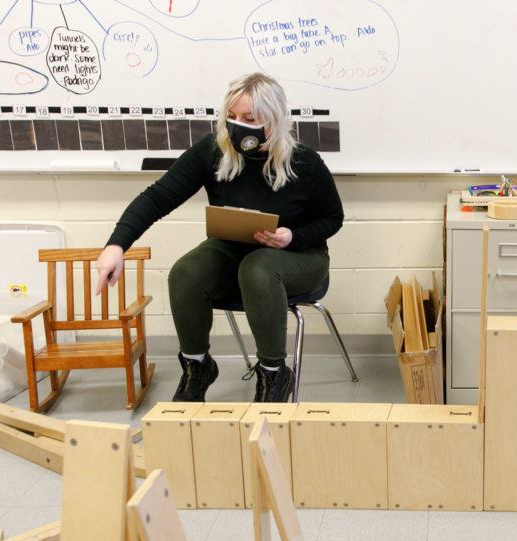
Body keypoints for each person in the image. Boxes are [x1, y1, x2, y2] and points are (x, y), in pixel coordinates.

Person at [95, 72, 344, 403]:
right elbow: (158, 197)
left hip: (300, 256)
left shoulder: (304, 162)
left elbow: (333, 218)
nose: (238, 125)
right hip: (234, 251)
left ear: (275, 119)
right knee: (186, 273)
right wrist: (117, 245)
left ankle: (274, 373)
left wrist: (292, 236)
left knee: (258, 269)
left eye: (250, 118)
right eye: (231, 116)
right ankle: (197, 366)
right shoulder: (213, 152)